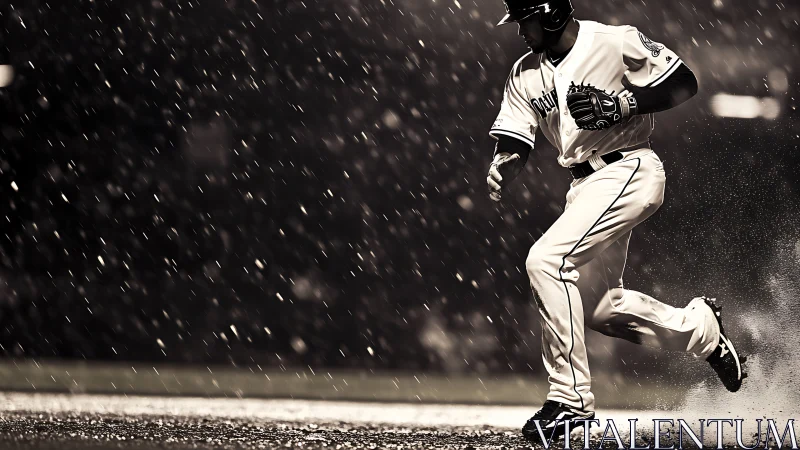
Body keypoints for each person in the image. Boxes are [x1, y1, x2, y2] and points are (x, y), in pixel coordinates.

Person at [485, 0, 746, 443]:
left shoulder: (613, 39)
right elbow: (516, 137)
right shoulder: (524, 72)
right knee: (601, 310)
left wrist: (625, 103)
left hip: (630, 167)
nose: (519, 30)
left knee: (546, 260)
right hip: (584, 185)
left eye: (525, 19)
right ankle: (701, 330)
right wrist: (507, 162)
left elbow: (684, 82)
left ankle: (570, 404)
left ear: (549, 14)